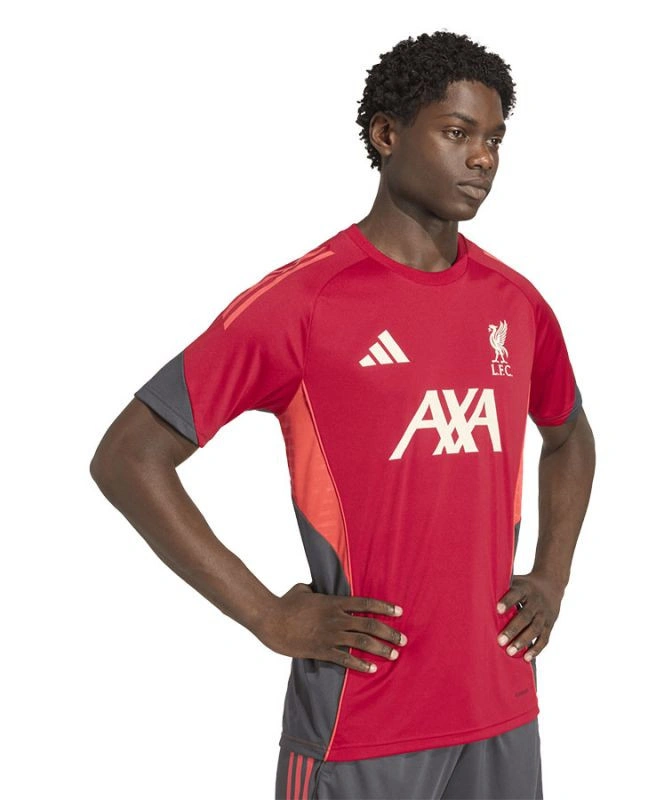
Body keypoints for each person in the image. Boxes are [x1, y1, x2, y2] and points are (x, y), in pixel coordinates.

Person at [90, 30, 596, 800]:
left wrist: (552, 578)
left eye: (494, 139)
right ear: (387, 134)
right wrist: (267, 615)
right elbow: (128, 457)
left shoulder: (516, 304)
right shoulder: (305, 302)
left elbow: (569, 438)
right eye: (457, 132)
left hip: (500, 711)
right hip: (358, 724)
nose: (483, 158)